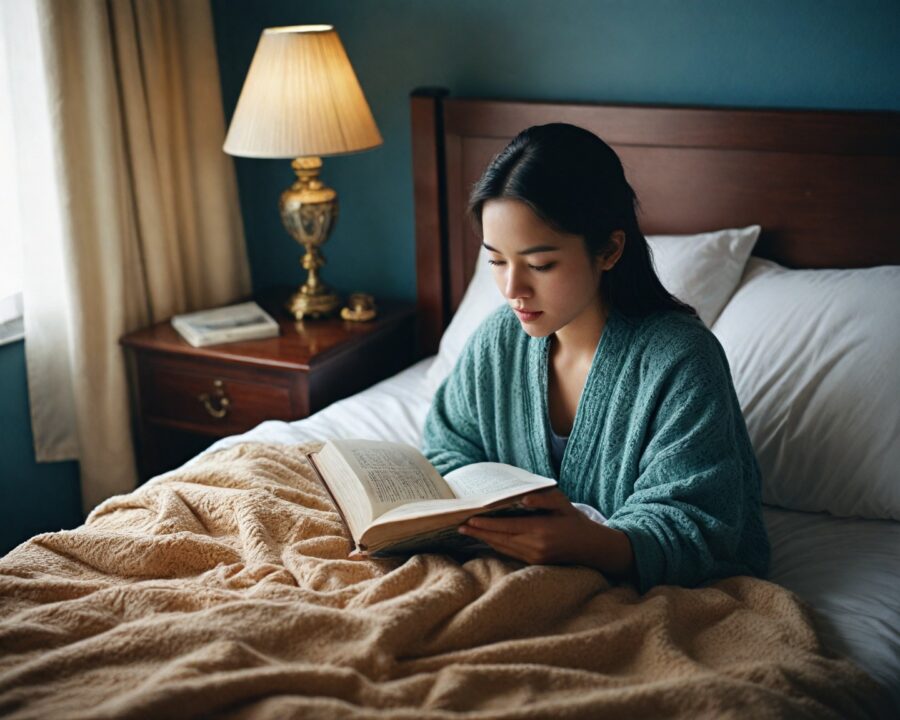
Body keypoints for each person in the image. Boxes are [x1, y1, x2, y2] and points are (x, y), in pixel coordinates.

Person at [421, 123, 770, 593]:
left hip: (649, 591)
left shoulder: (681, 361)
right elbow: (447, 447)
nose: (512, 290)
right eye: (497, 261)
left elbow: (702, 524)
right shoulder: (497, 341)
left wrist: (589, 544)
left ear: (608, 249)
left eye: (540, 265)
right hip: (500, 572)